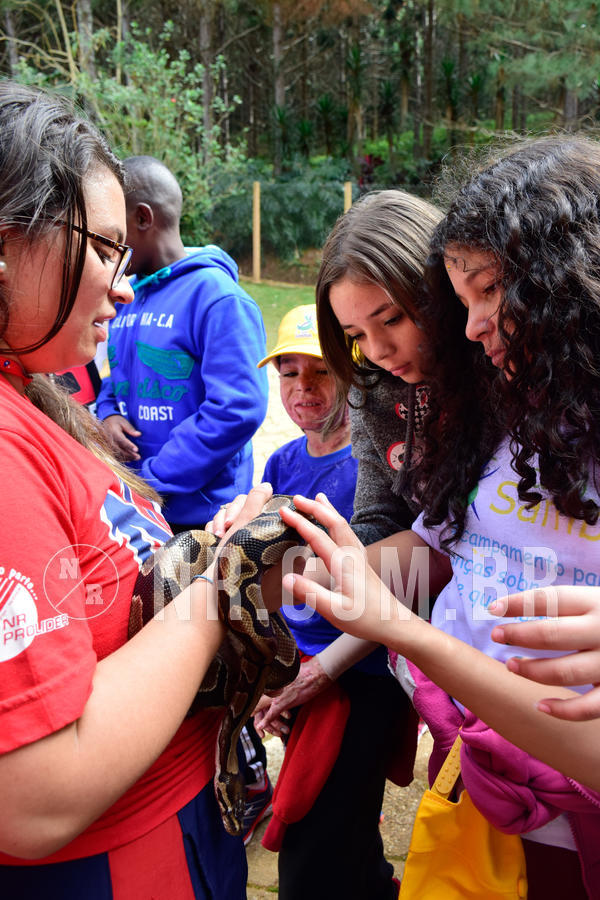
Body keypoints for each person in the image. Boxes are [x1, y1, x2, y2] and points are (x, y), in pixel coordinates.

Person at [279, 136, 600, 898]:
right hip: (481, 776)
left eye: (490, 295)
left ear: (564, 282)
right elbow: (436, 544)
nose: (473, 327)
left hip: (567, 799)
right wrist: (297, 566)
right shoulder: (525, 413)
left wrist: (397, 629)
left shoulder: (513, 397)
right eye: (464, 301)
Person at [0, 81, 271, 899]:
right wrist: (230, 570)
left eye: (125, 252)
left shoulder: (30, 386)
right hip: (113, 865)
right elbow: (35, 794)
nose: (123, 286)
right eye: (103, 248)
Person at [95, 155, 268, 531]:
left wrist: (154, 478)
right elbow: (117, 374)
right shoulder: (128, 298)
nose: (109, 248)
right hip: (140, 504)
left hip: (205, 519)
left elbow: (237, 408)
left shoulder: (219, 299)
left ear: (142, 218)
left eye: (114, 235)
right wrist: (108, 413)